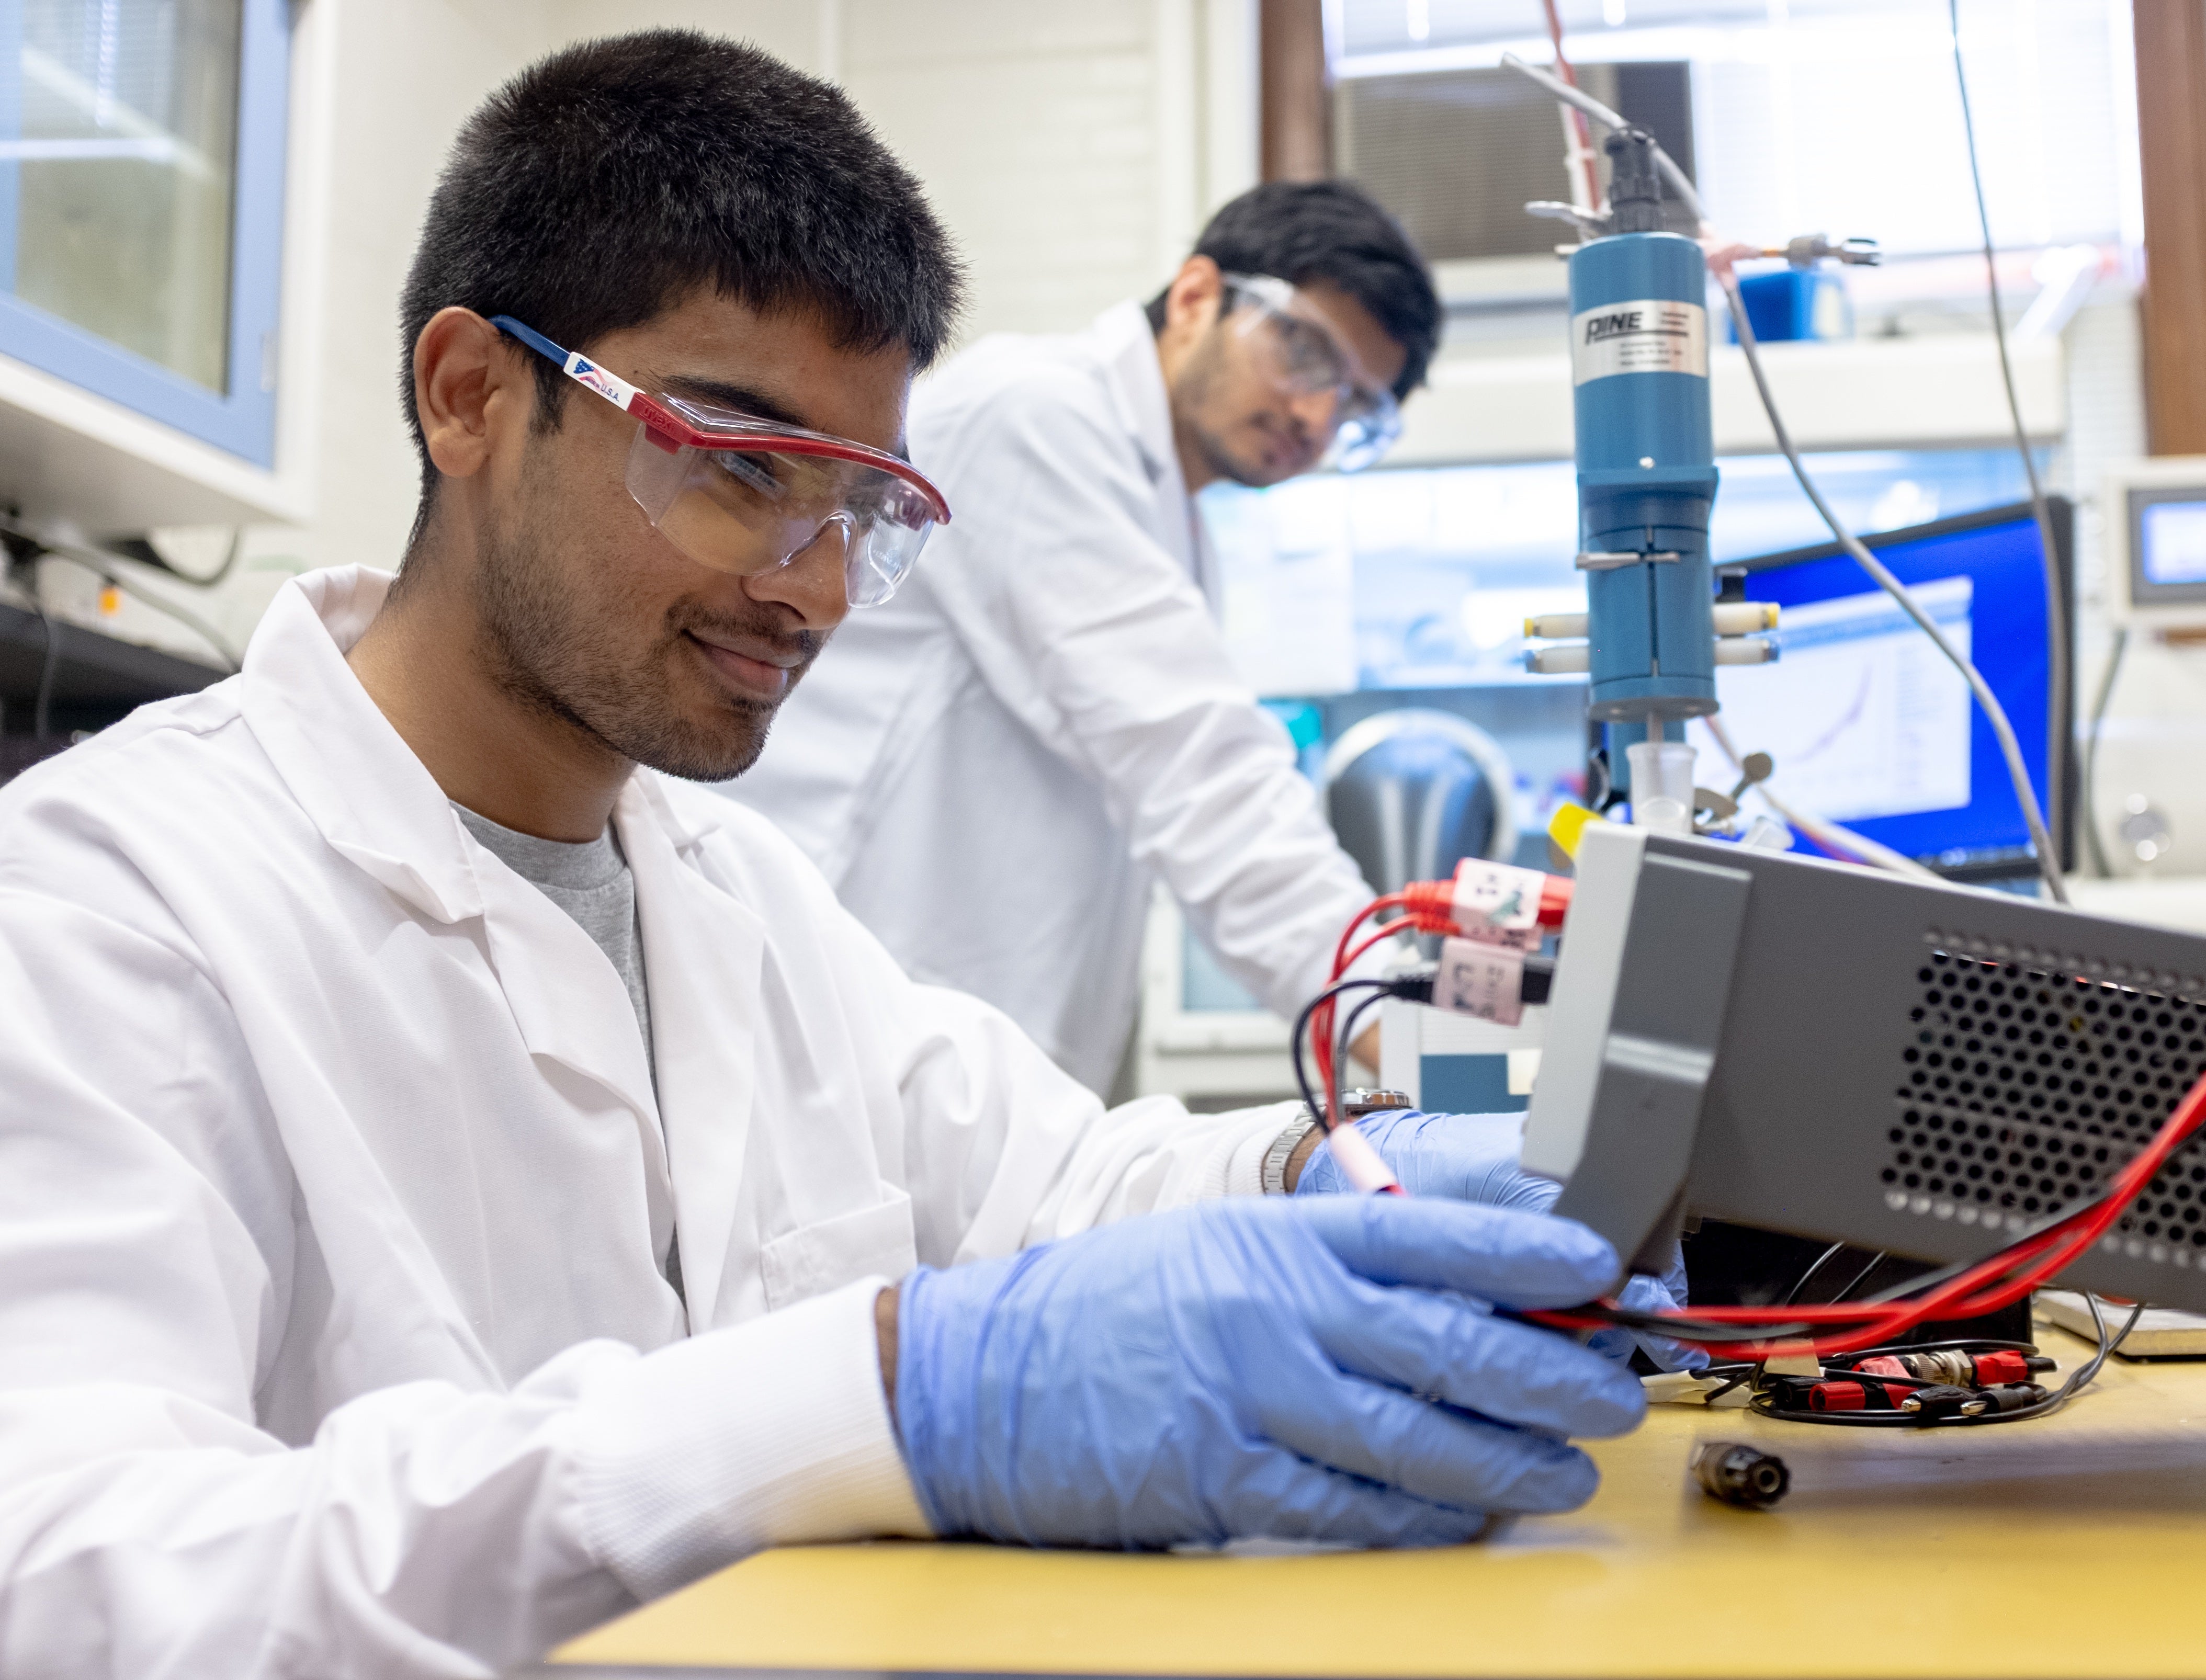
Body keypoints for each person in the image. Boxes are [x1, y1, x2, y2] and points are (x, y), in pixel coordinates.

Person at [0, 35, 1654, 1679]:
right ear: (470, 395)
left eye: (861, 507)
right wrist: (881, 1391)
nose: (820, 592)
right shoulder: (103, 906)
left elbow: (1055, 1182)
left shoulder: (732, 886)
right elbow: (75, 1583)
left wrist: (1341, 1176)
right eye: (735, 466)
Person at [723, 181, 1441, 1093]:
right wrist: (1397, 1030)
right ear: (1195, 297)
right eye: (1307, 354)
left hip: (960, 1047)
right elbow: (1198, 770)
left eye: (1354, 407)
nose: (1316, 416)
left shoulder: (1170, 514)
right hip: (847, 1005)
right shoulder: (1038, 417)